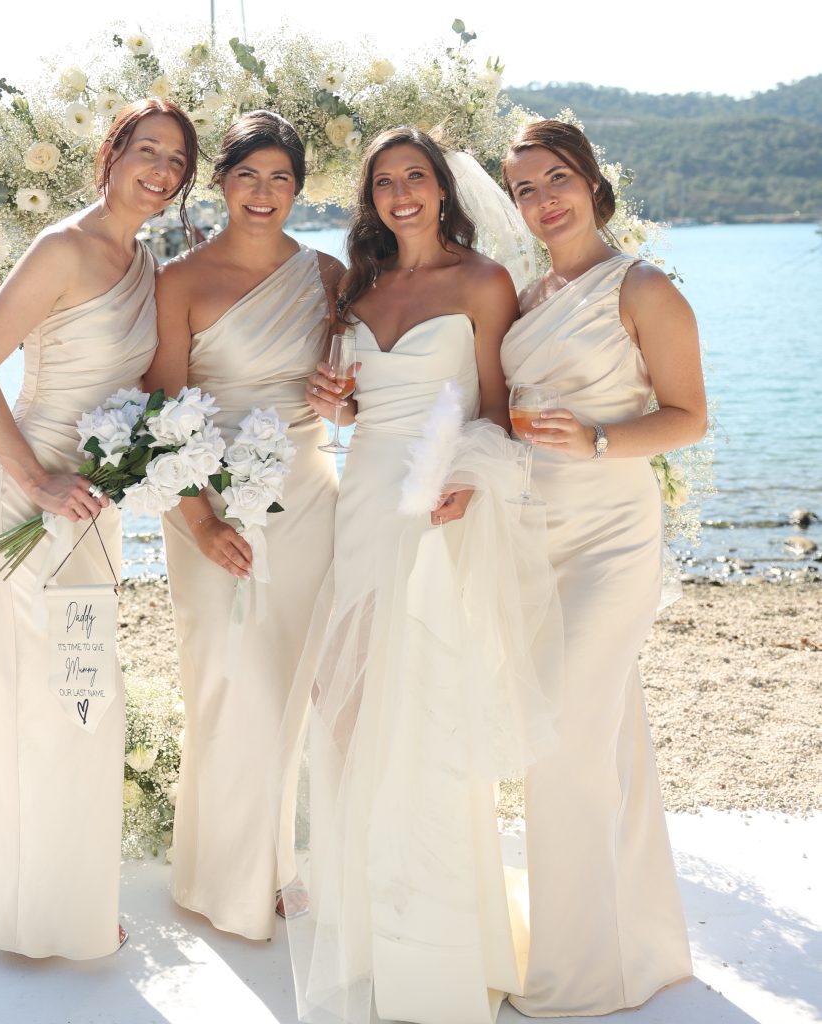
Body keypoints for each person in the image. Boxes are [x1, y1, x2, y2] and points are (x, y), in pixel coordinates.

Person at [282, 127, 560, 1024]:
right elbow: (358, 397)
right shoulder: (358, 286)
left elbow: (496, 412)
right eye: (384, 181)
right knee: (347, 701)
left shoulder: (482, 283)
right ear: (370, 199)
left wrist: (466, 486)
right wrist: (342, 400)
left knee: (423, 697)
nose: (401, 193)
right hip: (361, 498)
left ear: (443, 189)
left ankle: (436, 935)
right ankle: (361, 916)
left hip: (433, 504)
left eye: (415, 177)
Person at [0, 98, 198, 959]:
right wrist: (37, 478)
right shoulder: (62, 247)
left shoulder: (146, 259)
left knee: (81, 688)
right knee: (49, 693)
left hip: (94, 498)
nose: (161, 171)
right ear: (113, 151)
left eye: (177, 160)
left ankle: (66, 895)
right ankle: (34, 910)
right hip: (35, 488)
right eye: (148, 151)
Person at [499, 119, 706, 1015]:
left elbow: (688, 416)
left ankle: (576, 974)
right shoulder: (522, 291)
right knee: (606, 734)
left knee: (561, 745)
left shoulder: (644, 287)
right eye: (524, 189)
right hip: (529, 536)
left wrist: (597, 439)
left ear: (590, 181)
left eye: (555, 179)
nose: (543, 200)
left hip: (611, 536)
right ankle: (641, 946)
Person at [144, 110, 343, 941]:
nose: (264, 194)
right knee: (226, 683)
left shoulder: (330, 276)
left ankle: (275, 866)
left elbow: (356, 386)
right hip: (207, 506)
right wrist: (197, 522)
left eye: (282, 179)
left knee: (291, 690)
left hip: (304, 498)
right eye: (248, 175)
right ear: (221, 182)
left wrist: (348, 400)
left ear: (298, 188)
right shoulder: (179, 281)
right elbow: (159, 408)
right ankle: (218, 876)